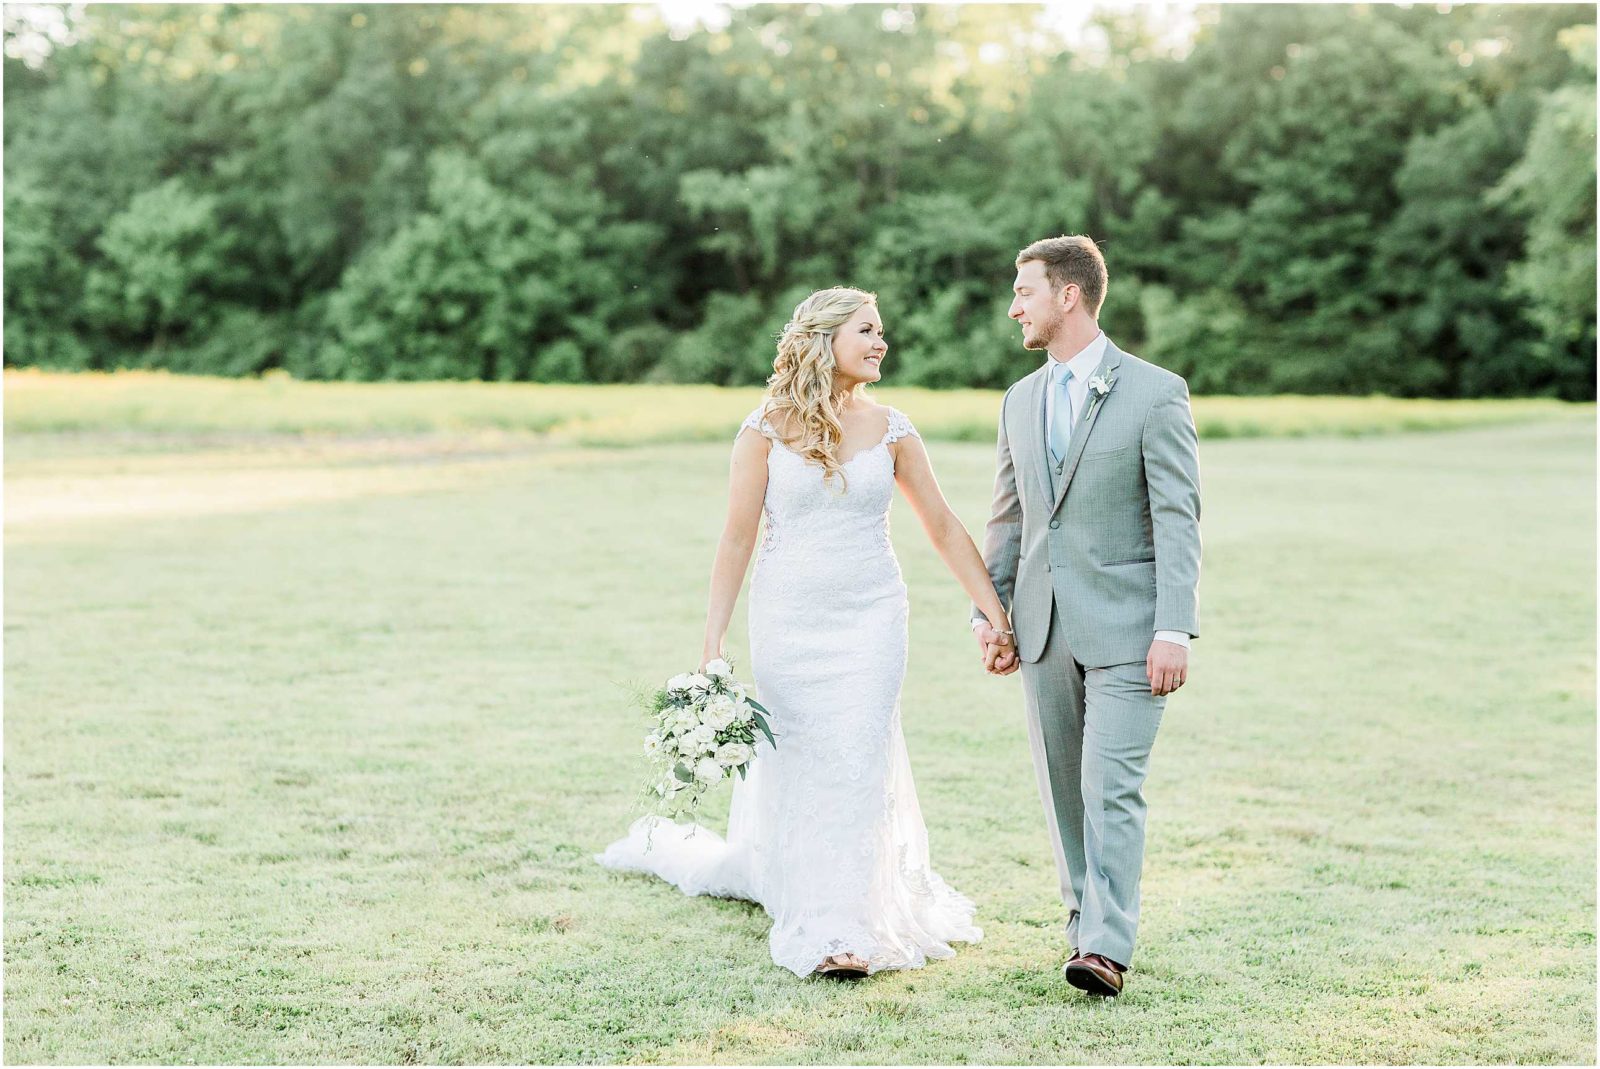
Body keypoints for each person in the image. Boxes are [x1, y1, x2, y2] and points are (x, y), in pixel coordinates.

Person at [599, 287, 1012, 979]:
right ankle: (818, 915)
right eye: (867, 330)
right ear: (824, 340)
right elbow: (736, 539)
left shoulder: (893, 428)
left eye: (881, 330)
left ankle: (846, 926)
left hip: (874, 618)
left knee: (856, 757)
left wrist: (994, 613)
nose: (881, 342)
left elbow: (942, 526)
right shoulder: (762, 429)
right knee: (804, 761)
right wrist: (713, 642)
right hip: (789, 620)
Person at [973, 235, 1202, 998]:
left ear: (1068, 295)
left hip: (1133, 632)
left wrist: (1174, 626)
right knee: (1063, 789)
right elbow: (1008, 521)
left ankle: (1106, 945)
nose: (1015, 307)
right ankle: (1083, 926)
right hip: (1041, 627)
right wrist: (990, 616)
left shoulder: (1154, 391)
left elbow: (1178, 518)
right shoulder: (1019, 399)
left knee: (1110, 785)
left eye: (1025, 292)